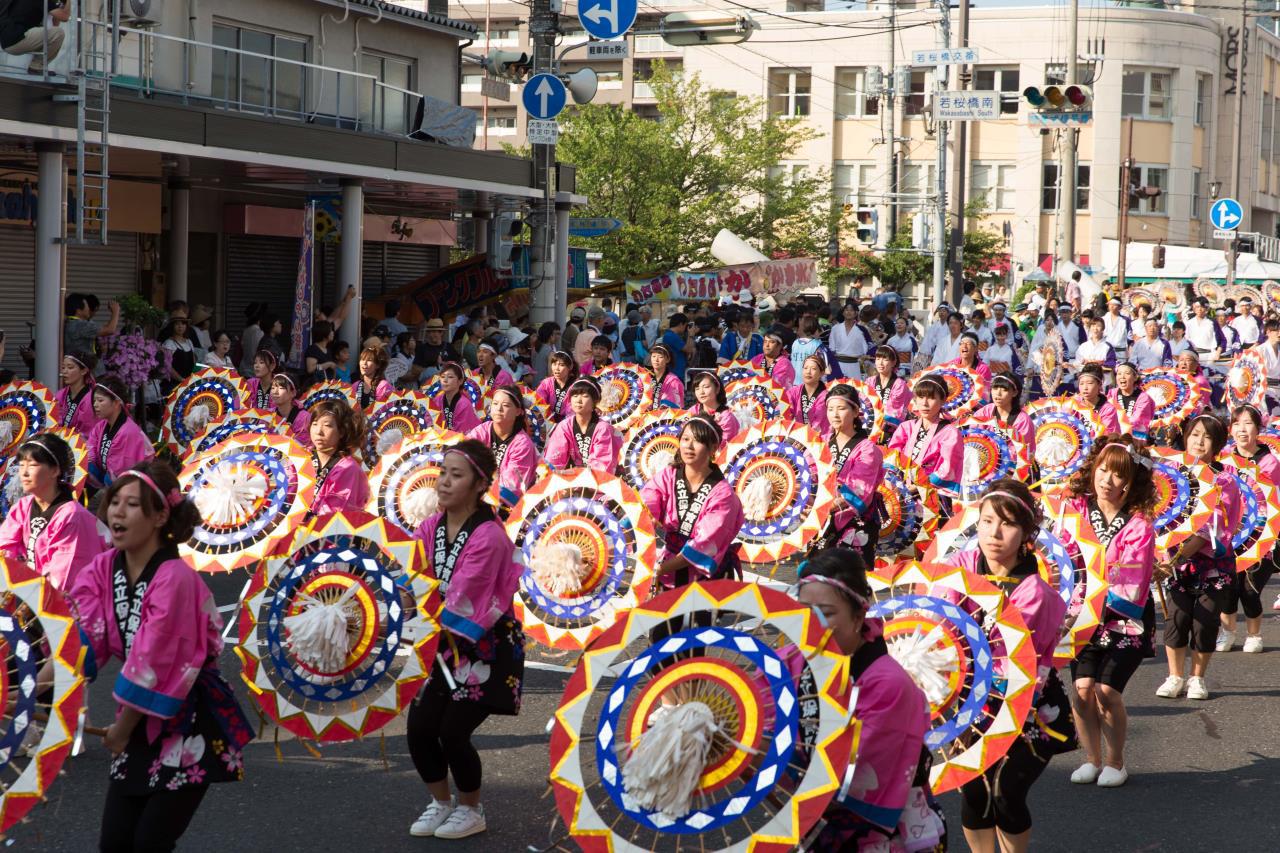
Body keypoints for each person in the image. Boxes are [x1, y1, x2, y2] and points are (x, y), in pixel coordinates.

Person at [62, 461, 252, 852]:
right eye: (115, 501)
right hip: (137, 716)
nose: (117, 511)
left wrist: (121, 729)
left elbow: (155, 658)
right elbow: (84, 637)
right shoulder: (103, 568)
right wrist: (39, 684)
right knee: (115, 843)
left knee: (150, 843)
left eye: (132, 504)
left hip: (186, 718)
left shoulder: (175, 579)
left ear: (160, 515)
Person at [940, 480, 1071, 853]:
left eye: (1008, 524)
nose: (994, 533)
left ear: (1027, 532)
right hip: (965, 698)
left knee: (1006, 794)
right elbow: (941, 624)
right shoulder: (956, 567)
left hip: (1024, 701)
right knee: (974, 793)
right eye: (986, 521)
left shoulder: (1036, 591)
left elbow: (1006, 654)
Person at [408, 440, 523, 840]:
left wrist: (414, 611)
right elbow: (412, 579)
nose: (443, 482)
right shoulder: (429, 527)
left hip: (482, 645)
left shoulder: (489, 535)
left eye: (456, 475)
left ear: (479, 485)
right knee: (420, 727)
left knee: (453, 732)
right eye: (442, 473)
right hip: (442, 641)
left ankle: (472, 809)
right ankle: (441, 803)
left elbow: (466, 596)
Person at [794, 549, 940, 853]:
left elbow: (852, 778)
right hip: (811, 820)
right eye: (804, 611)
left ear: (859, 616)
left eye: (827, 612)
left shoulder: (889, 685)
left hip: (871, 832)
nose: (813, 623)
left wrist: (761, 758)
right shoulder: (792, 660)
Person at [1058, 438, 1157, 789]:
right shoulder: (1071, 511)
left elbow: (1132, 577)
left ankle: (1116, 762)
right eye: (1102, 469)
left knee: (1106, 690)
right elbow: (1058, 558)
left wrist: (1095, 581)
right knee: (1082, 689)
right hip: (1080, 616)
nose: (1107, 480)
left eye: (1117, 474)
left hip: (1122, 618)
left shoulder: (1139, 524)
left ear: (1130, 482)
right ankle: (1091, 759)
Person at [1155, 414, 1240, 701]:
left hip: (1211, 561)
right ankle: (1175, 676)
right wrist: (1161, 553)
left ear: (1216, 444)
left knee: (1204, 621)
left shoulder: (1225, 479)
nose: (1199, 441)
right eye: (1194, 434)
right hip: (1176, 561)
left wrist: (1177, 556)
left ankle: (1197, 678)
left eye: (1206, 436)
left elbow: (1210, 528)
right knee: (1177, 617)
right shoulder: (1170, 474)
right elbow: (1157, 515)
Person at [639, 415, 744, 588]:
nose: (688, 446)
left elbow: (706, 542)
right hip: (668, 566)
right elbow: (646, 504)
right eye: (685, 439)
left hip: (703, 578)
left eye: (697, 441)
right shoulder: (668, 475)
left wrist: (658, 569)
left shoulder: (723, 495)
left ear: (713, 448)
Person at [0, 433, 104, 588]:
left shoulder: (73, 516)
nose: (24, 472)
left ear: (55, 470)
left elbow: (62, 579)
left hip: (66, 603)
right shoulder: (23, 507)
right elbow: (5, 548)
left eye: (33, 465)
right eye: (22, 465)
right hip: (30, 592)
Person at [1218, 405, 1280, 653]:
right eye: (1237, 424)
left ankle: (1254, 634)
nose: (1242, 430)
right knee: (1226, 585)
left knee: (1249, 587)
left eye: (1248, 424)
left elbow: (1269, 498)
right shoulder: (1222, 457)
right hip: (1227, 531)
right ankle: (1228, 632)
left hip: (1259, 532)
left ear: (1258, 428)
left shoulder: (1269, 461)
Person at [821, 384, 884, 564]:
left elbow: (858, 491)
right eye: (830, 409)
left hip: (854, 522)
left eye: (841, 409)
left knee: (849, 581)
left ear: (856, 412)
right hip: (823, 517)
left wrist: (824, 507)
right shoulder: (822, 443)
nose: (834, 414)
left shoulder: (867, 450)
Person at [887, 374, 962, 496]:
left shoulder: (950, 433)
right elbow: (892, 456)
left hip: (932, 493)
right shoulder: (906, 427)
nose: (925, 403)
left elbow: (947, 469)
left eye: (931, 398)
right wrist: (890, 477)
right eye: (921, 397)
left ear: (943, 400)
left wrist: (918, 486)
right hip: (900, 490)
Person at [465, 386, 538, 509]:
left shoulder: (522, 444)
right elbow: (463, 455)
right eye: (495, 403)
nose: (499, 409)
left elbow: (512, 488)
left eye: (506, 405)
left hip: (508, 507)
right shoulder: (482, 430)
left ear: (518, 411)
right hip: (477, 495)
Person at [86, 375, 156, 490]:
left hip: (127, 487)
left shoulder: (127, 432)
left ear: (117, 402)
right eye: (94, 401)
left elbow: (120, 472)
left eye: (100, 400)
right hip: (107, 481)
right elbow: (91, 447)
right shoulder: (101, 426)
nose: (95, 405)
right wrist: (90, 463)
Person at [543, 376, 621, 471]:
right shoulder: (564, 426)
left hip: (596, 479)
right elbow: (554, 458)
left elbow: (602, 464)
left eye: (585, 396)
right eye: (575, 396)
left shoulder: (603, 428)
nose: (578, 400)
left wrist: (582, 478)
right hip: (570, 476)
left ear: (595, 401)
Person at [308, 398, 369, 517]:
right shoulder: (304, 459)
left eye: (327, 425)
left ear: (341, 432)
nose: (319, 431)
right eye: (314, 424)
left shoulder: (348, 468)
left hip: (326, 531)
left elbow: (334, 515)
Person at [0, 0, 70, 73]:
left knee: (54, 34)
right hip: (17, 39)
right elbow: (65, 17)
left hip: (9, 41)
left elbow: (55, 23)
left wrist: (61, 6)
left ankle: (36, 67)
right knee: (59, 33)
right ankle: (36, 66)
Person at [973, 372, 1035, 452]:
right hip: (983, 459)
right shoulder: (985, 412)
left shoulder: (1023, 420)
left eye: (1004, 390)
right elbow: (975, 436)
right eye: (995, 388)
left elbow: (1021, 450)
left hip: (1010, 463)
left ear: (1015, 393)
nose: (998, 394)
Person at [52, 351, 102, 436]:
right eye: (63, 368)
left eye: (70, 368)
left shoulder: (90, 399)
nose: (65, 371)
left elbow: (88, 433)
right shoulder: (60, 395)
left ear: (84, 371)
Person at [782, 352, 829, 436]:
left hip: (819, 438)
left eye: (813, 369)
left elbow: (818, 423)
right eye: (805, 368)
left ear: (821, 373)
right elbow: (786, 410)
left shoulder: (825, 396)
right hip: (797, 435)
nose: (808, 372)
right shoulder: (793, 391)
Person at [686, 370, 739, 443]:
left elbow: (724, 446)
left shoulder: (726, 418)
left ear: (717, 389)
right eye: (697, 389)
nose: (701, 392)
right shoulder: (693, 411)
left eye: (706, 387)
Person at [428, 362, 482, 434]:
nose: (445, 380)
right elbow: (429, 420)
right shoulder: (437, 400)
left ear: (460, 381)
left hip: (462, 442)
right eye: (442, 377)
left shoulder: (464, 404)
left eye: (450, 377)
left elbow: (462, 433)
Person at [1109, 362, 1155, 444]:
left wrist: (1121, 425)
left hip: (1136, 436)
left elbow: (1137, 419)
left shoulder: (1144, 397)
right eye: (1119, 374)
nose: (1122, 377)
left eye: (1127, 373)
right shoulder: (1112, 393)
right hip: (1115, 434)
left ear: (1135, 377)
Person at [868, 345, 911, 431]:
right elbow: (865, 403)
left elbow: (896, 411)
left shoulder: (899, 384)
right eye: (878, 359)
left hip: (891, 427)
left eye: (885, 359)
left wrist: (879, 420)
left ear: (893, 362)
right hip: (870, 424)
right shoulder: (870, 381)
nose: (880, 363)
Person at [269, 371, 312, 448]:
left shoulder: (304, 418)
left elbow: (303, 447)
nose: (275, 392)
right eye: (273, 388)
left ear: (293, 393)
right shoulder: (268, 414)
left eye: (281, 388)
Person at [1076, 364, 1121, 434]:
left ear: (1099, 385)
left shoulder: (1108, 410)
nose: (1085, 388)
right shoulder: (1074, 404)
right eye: (1081, 384)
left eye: (1090, 383)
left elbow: (1106, 435)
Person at [534, 350, 577, 422]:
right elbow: (539, 402)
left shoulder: (576, 385)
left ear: (570, 367)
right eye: (554, 364)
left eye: (561, 365)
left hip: (568, 422)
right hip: (547, 421)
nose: (556, 368)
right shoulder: (546, 383)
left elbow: (573, 409)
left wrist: (563, 425)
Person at [353, 345, 394, 410]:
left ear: (378, 365)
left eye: (369, 360)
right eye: (362, 359)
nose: (364, 363)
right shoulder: (356, 385)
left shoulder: (384, 386)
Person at [647, 343, 685, 408]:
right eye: (653, 356)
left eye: (660, 357)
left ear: (667, 359)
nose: (656, 360)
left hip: (664, 416)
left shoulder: (673, 381)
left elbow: (672, 403)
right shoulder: (645, 377)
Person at [660, 313, 692, 381]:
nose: (686, 329)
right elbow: (688, 349)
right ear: (681, 324)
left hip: (675, 371)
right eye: (685, 326)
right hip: (676, 372)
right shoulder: (671, 336)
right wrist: (690, 335)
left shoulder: (671, 335)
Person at [305, 321, 338, 385]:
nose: (333, 333)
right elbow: (310, 369)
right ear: (324, 333)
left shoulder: (328, 350)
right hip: (317, 387)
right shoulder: (313, 349)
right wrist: (328, 364)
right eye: (331, 331)